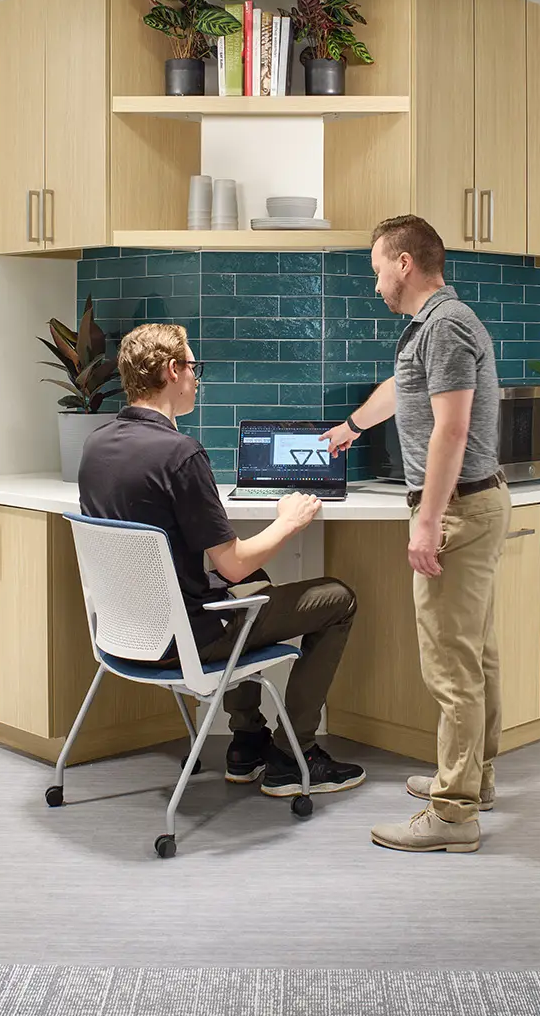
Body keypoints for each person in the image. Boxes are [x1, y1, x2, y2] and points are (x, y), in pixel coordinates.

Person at [79, 322, 364, 798]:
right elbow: (229, 564)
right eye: (193, 366)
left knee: (258, 579)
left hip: (124, 634)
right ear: (172, 371)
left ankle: (247, 742)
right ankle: (296, 756)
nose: (196, 377)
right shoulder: (180, 454)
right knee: (338, 598)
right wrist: (289, 521)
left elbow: (234, 570)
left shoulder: (95, 444)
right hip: (185, 638)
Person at [322, 215, 510, 853]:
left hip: (457, 508)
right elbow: (405, 394)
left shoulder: (447, 326)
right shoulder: (437, 326)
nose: (374, 282)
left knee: (450, 664)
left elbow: (450, 429)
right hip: (473, 504)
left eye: (377, 267)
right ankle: (473, 779)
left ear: (404, 263)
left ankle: (453, 815)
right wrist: (351, 426)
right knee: (474, 653)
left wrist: (428, 520)